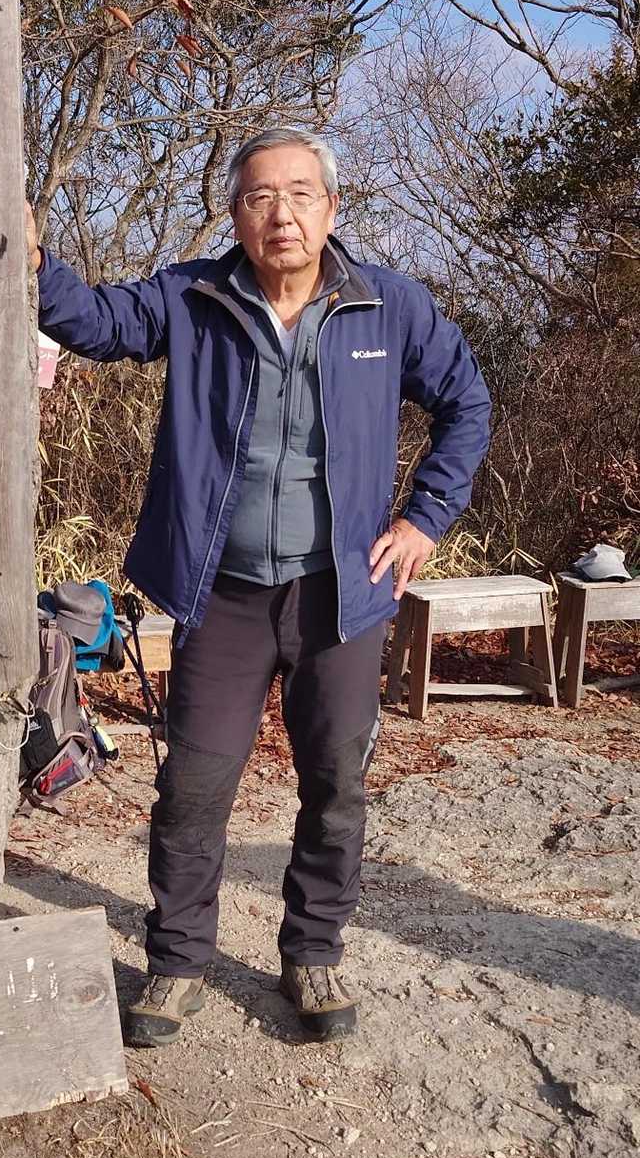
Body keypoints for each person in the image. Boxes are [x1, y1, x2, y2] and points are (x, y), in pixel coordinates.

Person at [26, 125, 491, 1047]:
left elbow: (465, 403)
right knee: (193, 786)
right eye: (259, 197)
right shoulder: (194, 297)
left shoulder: (388, 306)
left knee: (336, 784)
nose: (282, 213)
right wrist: (37, 262)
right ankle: (177, 963)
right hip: (224, 594)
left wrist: (425, 518)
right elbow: (98, 323)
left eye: (300, 194)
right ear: (235, 214)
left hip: (342, 596)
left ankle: (312, 952)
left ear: (332, 208)